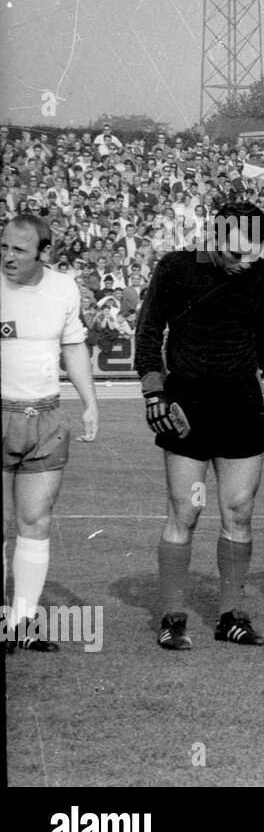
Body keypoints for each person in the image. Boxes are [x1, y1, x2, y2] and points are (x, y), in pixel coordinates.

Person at [134, 200, 264, 650]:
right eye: (236, 253)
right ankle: (172, 616)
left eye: (253, 254)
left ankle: (231, 616)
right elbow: (148, 332)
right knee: (186, 512)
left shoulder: (262, 275)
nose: (245, 263)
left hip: (241, 402)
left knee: (239, 512)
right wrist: (154, 392)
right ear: (214, 238)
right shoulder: (177, 268)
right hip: (187, 404)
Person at [2, 216, 100, 653]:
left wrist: (90, 402)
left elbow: (73, 346)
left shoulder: (63, 288)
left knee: (36, 522)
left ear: (44, 253)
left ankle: (21, 623)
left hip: (45, 417)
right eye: (4, 246)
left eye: (19, 250)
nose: (8, 256)